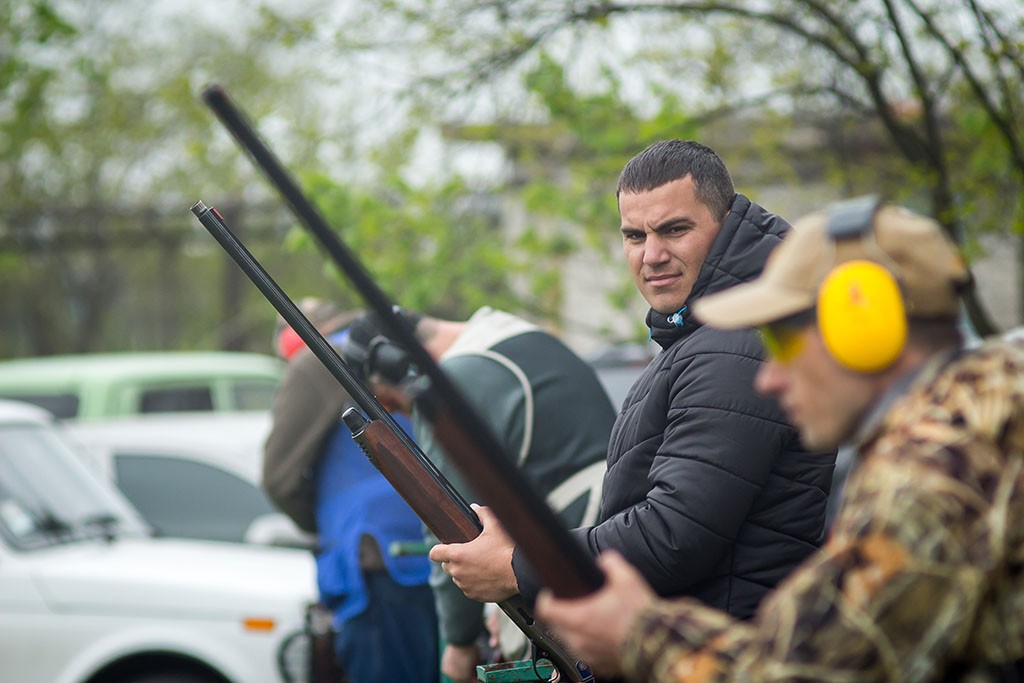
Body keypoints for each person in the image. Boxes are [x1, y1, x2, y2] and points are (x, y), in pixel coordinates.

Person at [534, 196, 1024, 681]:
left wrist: (638, 633)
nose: (768, 378)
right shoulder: (987, 412)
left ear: (862, 327)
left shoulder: (933, 468)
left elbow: (807, 672)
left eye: (782, 341)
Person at [430, 140, 836, 623]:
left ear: (725, 224)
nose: (653, 255)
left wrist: (521, 566)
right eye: (635, 236)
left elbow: (673, 535)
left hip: (722, 652)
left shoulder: (730, 347)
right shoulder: (705, 336)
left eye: (675, 230)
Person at [340, 305, 615, 682]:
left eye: (389, 403)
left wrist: (459, 642)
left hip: (563, 577)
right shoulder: (516, 333)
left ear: (395, 364)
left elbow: (452, 523)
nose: (402, 413)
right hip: (602, 547)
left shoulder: (452, 382)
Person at [262, 298, 439, 683]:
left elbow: (279, 478)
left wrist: (324, 521)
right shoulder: (398, 351)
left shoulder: (317, 361)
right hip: (443, 557)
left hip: (376, 564)